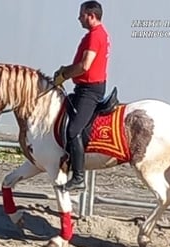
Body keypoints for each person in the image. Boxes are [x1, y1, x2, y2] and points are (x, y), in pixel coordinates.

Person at [53, 0, 110, 192]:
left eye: (82, 14)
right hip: (84, 89)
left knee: (73, 131)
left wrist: (64, 74)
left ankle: (78, 177)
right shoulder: (95, 35)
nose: (79, 18)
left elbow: (85, 66)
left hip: (90, 91)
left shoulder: (95, 36)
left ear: (91, 16)